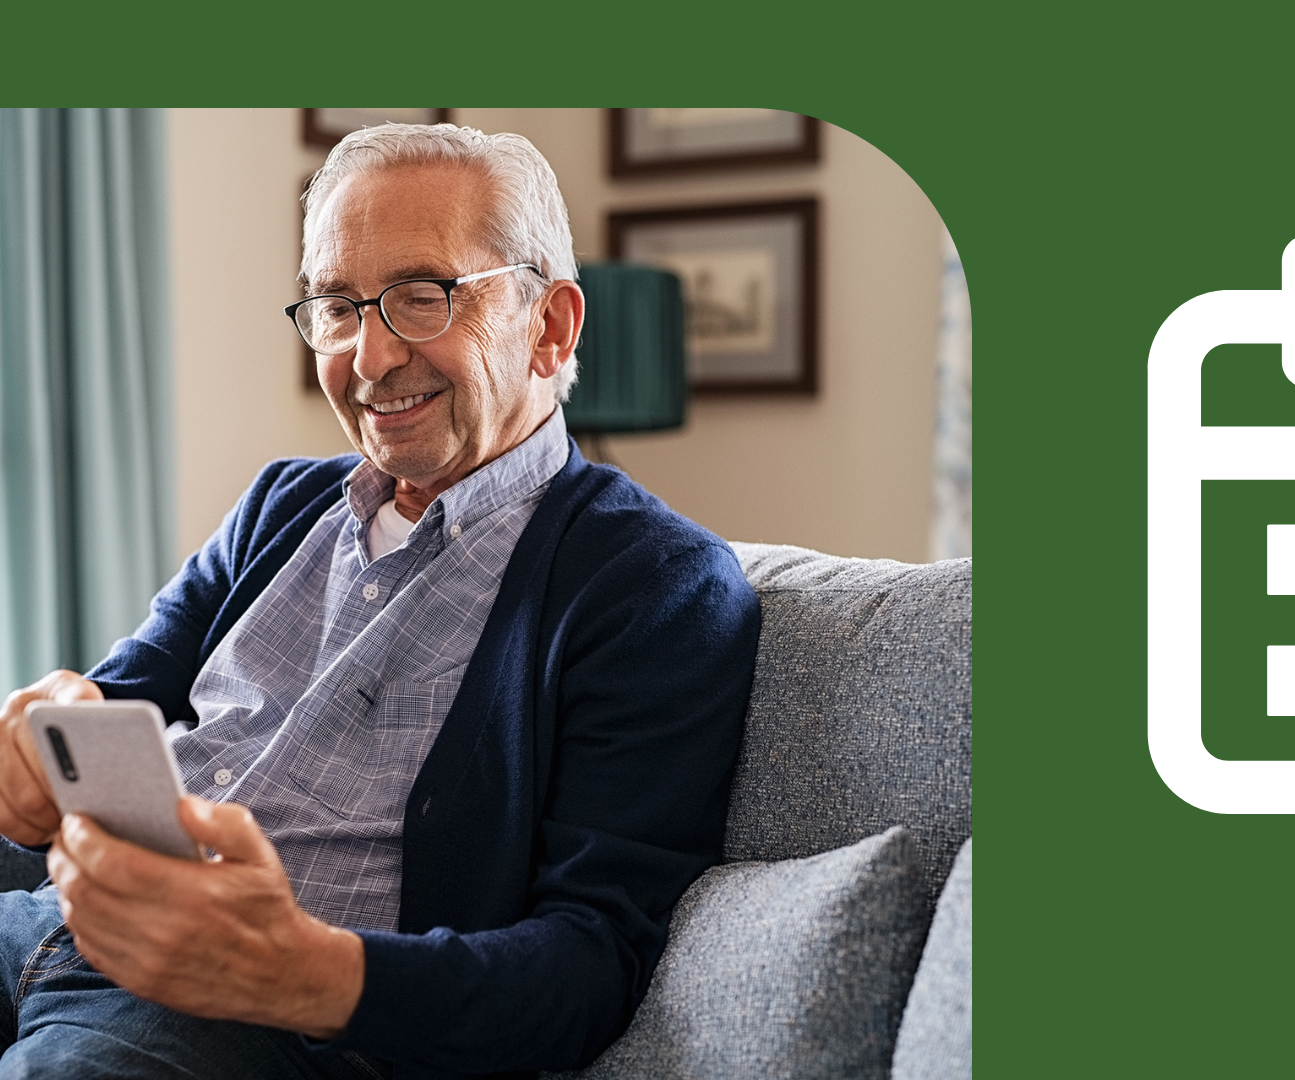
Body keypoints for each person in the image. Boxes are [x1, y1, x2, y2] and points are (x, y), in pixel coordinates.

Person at [0, 124, 761, 1079]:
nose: (368, 357)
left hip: (255, 1021)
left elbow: (590, 961)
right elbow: (114, 706)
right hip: (52, 921)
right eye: (337, 307)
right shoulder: (281, 504)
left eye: (421, 296)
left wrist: (299, 973)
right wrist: (42, 740)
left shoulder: (657, 585)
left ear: (550, 326)